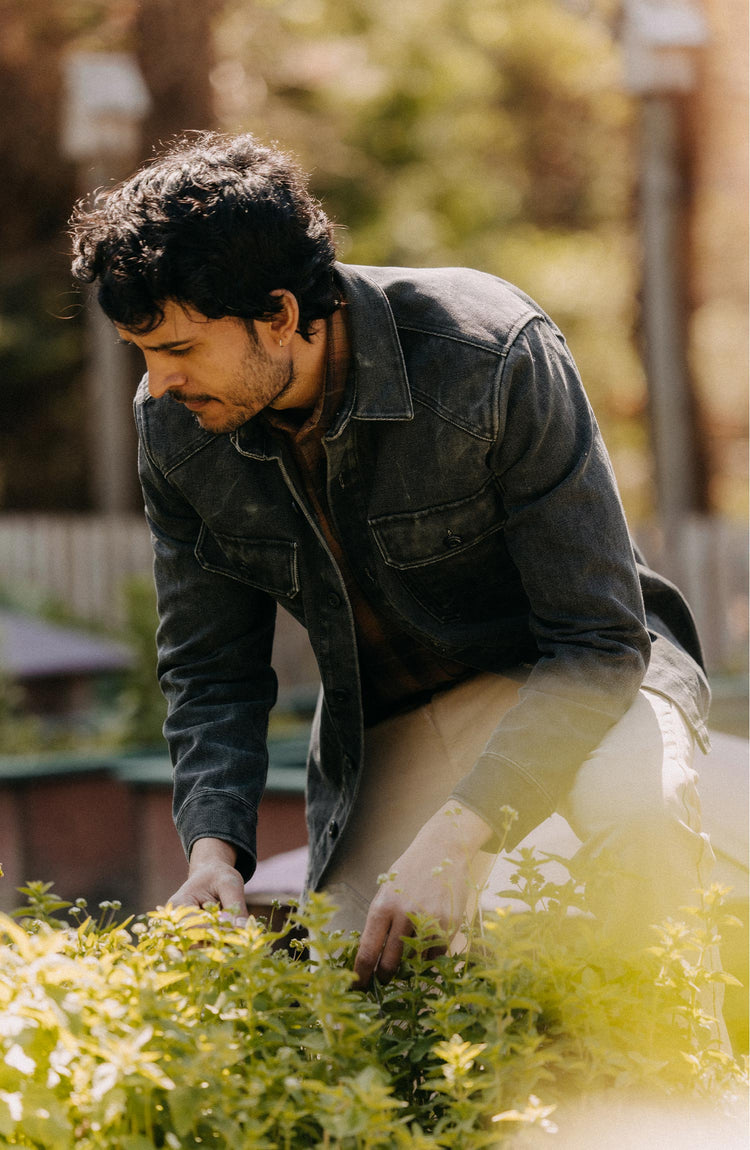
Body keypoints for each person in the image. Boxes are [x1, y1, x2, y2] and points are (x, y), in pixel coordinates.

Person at [69, 131, 715, 990]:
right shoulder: (176, 429)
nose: (159, 382)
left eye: (180, 349)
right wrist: (212, 851)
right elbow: (211, 672)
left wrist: (460, 833)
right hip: (391, 729)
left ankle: (684, 1096)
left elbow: (599, 640)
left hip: (579, 678)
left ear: (280, 315)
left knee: (637, 826)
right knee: (359, 985)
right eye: (141, 353)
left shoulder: (491, 354)